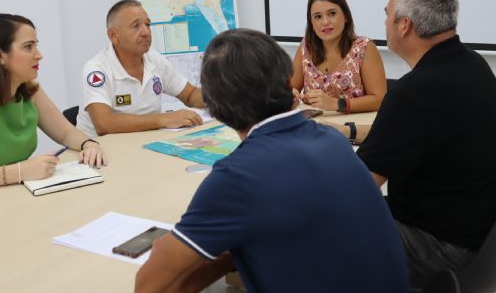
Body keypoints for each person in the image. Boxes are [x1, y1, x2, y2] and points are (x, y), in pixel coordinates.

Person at [135, 29, 409, 293]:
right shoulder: (331, 139)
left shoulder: (237, 177)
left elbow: (149, 285)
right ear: (290, 81)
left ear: (216, 108)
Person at [332, 0, 496, 291]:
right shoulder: (470, 64)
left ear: (404, 25)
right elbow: (418, 137)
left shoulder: (417, 91)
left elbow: (358, 186)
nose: (384, 22)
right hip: (490, 245)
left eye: (386, 14)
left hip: (449, 252)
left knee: (325, 220)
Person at [0, 14, 108, 192]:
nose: (39, 55)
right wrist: (18, 172)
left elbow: (65, 132)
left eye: (36, 45)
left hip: (14, 194)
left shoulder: (27, 86)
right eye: (28, 47)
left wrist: (89, 145)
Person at [76, 0, 205, 137]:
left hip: (143, 145)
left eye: (147, 24)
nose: (145, 32)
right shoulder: (97, 69)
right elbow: (104, 124)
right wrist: (164, 119)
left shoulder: (154, 59)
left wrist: (221, 97)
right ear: (114, 36)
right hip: (98, 151)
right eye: (136, 26)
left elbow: (190, 94)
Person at [291, 0, 387, 114]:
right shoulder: (306, 47)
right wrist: (291, 94)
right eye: (318, 16)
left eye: (332, 13)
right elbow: (290, 88)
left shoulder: (364, 47)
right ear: (311, 23)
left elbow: (380, 100)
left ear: (346, 16)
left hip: (354, 129)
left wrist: (336, 104)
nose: (325, 22)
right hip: (316, 128)